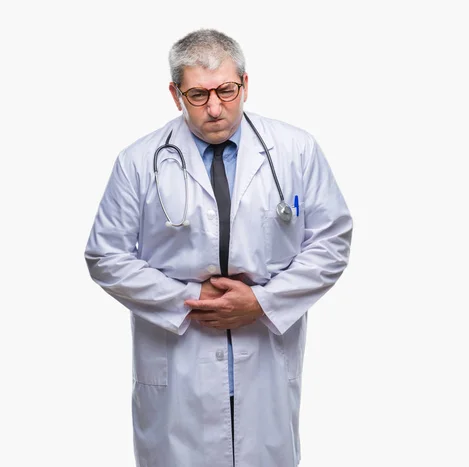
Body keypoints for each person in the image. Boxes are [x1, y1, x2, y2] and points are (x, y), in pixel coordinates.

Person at [84, 28, 352, 467]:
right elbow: (105, 255)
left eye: (226, 91)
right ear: (175, 94)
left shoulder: (295, 151)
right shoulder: (138, 161)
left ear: (245, 84)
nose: (214, 108)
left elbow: (332, 241)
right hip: (179, 359)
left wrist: (262, 303)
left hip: (263, 351)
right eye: (197, 94)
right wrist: (186, 301)